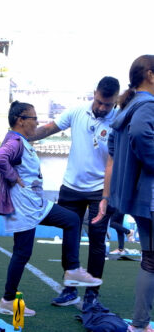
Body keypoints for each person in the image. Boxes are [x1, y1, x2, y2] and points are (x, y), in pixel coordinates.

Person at [0, 101, 102, 317]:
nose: (37, 122)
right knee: (22, 253)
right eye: (33, 118)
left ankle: (71, 270)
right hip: (24, 206)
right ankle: (7, 299)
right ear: (20, 120)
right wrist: (14, 178)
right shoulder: (15, 142)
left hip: (36, 204)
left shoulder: (21, 141)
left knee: (71, 220)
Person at [28, 76, 120, 308]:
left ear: (115, 101)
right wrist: (23, 136)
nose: (101, 107)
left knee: (97, 239)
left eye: (107, 104)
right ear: (95, 93)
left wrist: (108, 196)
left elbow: (114, 161)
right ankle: (70, 289)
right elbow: (49, 129)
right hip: (71, 186)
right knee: (70, 237)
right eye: (99, 101)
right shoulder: (77, 111)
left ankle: (92, 294)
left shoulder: (119, 120)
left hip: (101, 190)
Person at [94, 55, 154, 332]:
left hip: (143, 197)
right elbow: (142, 134)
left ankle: (140, 325)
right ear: (151, 75)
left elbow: (114, 149)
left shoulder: (126, 108)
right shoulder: (147, 105)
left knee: (150, 260)